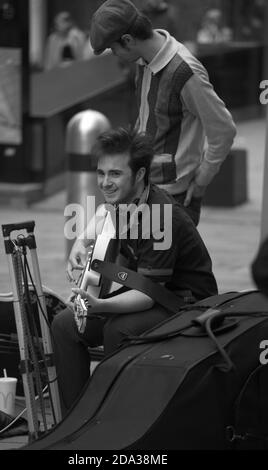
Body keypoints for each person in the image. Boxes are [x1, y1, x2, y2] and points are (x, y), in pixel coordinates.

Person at [52, 127, 218, 415]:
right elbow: (103, 212)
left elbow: (147, 296)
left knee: (118, 329)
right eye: (101, 173)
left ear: (139, 175)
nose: (105, 183)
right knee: (65, 325)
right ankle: (76, 421)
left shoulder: (160, 218)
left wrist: (102, 304)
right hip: (144, 288)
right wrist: (82, 241)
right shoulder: (124, 199)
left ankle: (117, 421)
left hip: (184, 303)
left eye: (115, 174)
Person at [89, 0, 237, 226]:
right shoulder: (144, 59)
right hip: (142, 192)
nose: (114, 54)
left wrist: (201, 181)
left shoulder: (185, 71)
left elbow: (223, 130)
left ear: (128, 40)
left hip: (172, 198)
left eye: (113, 48)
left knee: (157, 263)